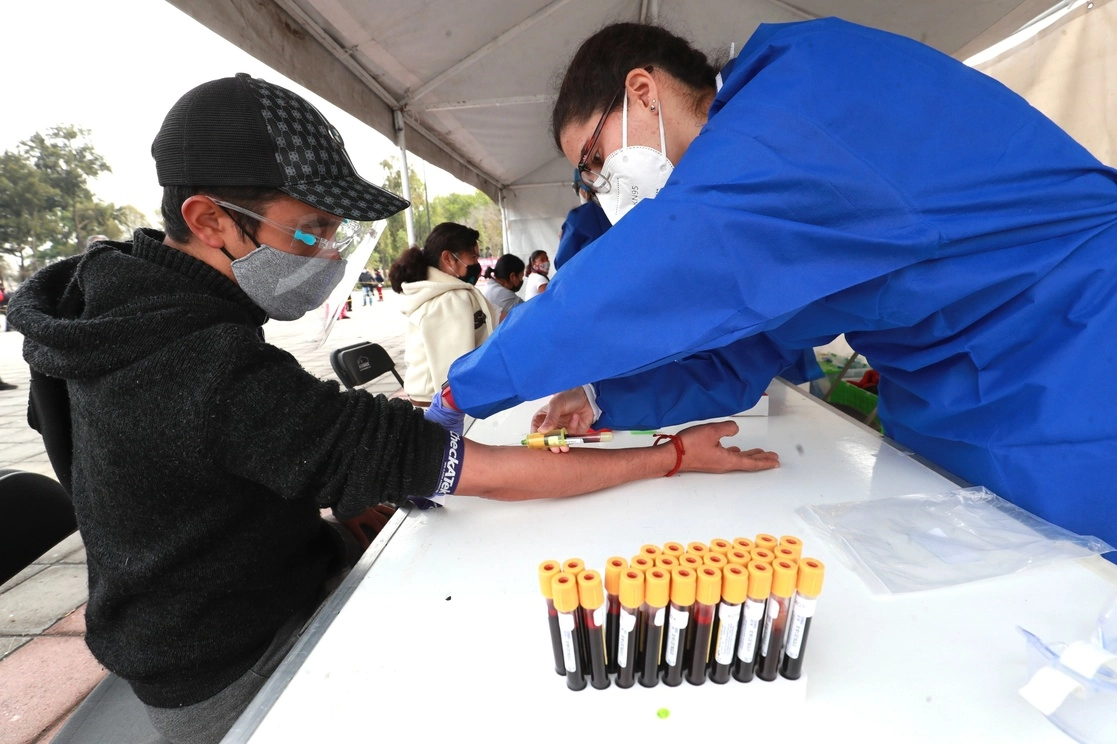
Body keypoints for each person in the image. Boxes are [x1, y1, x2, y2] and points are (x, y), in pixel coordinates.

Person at [6, 73, 780, 744]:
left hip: (229, 602)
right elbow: (478, 472)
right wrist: (670, 456)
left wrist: (319, 509)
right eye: (308, 231)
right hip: (232, 668)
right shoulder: (203, 363)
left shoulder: (98, 308)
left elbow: (171, 475)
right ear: (209, 220)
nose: (325, 257)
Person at [445, 19, 1117, 554]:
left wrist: (461, 390)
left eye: (594, 160)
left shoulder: (794, 99)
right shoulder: (769, 196)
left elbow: (657, 267)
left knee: (1077, 603)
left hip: (1069, 353)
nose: (598, 188)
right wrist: (599, 396)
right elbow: (748, 351)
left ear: (644, 92)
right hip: (952, 403)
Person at [389, 223, 498, 416]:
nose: (477, 264)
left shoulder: (448, 292)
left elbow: (498, 317)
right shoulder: (449, 300)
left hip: (434, 400)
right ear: (448, 258)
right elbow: (453, 370)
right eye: (472, 256)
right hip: (438, 406)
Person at [554, 193, 610, 271]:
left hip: (595, 274)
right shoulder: (623, 208)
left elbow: (563, 262)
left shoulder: (579, 217)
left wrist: (563, 238)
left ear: (583, 191)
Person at [478, 253, 525, 322]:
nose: (521, 281)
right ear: (512, 276)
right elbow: (528, 312)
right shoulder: (503, 294)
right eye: (521, 277)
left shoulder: (491, 286)